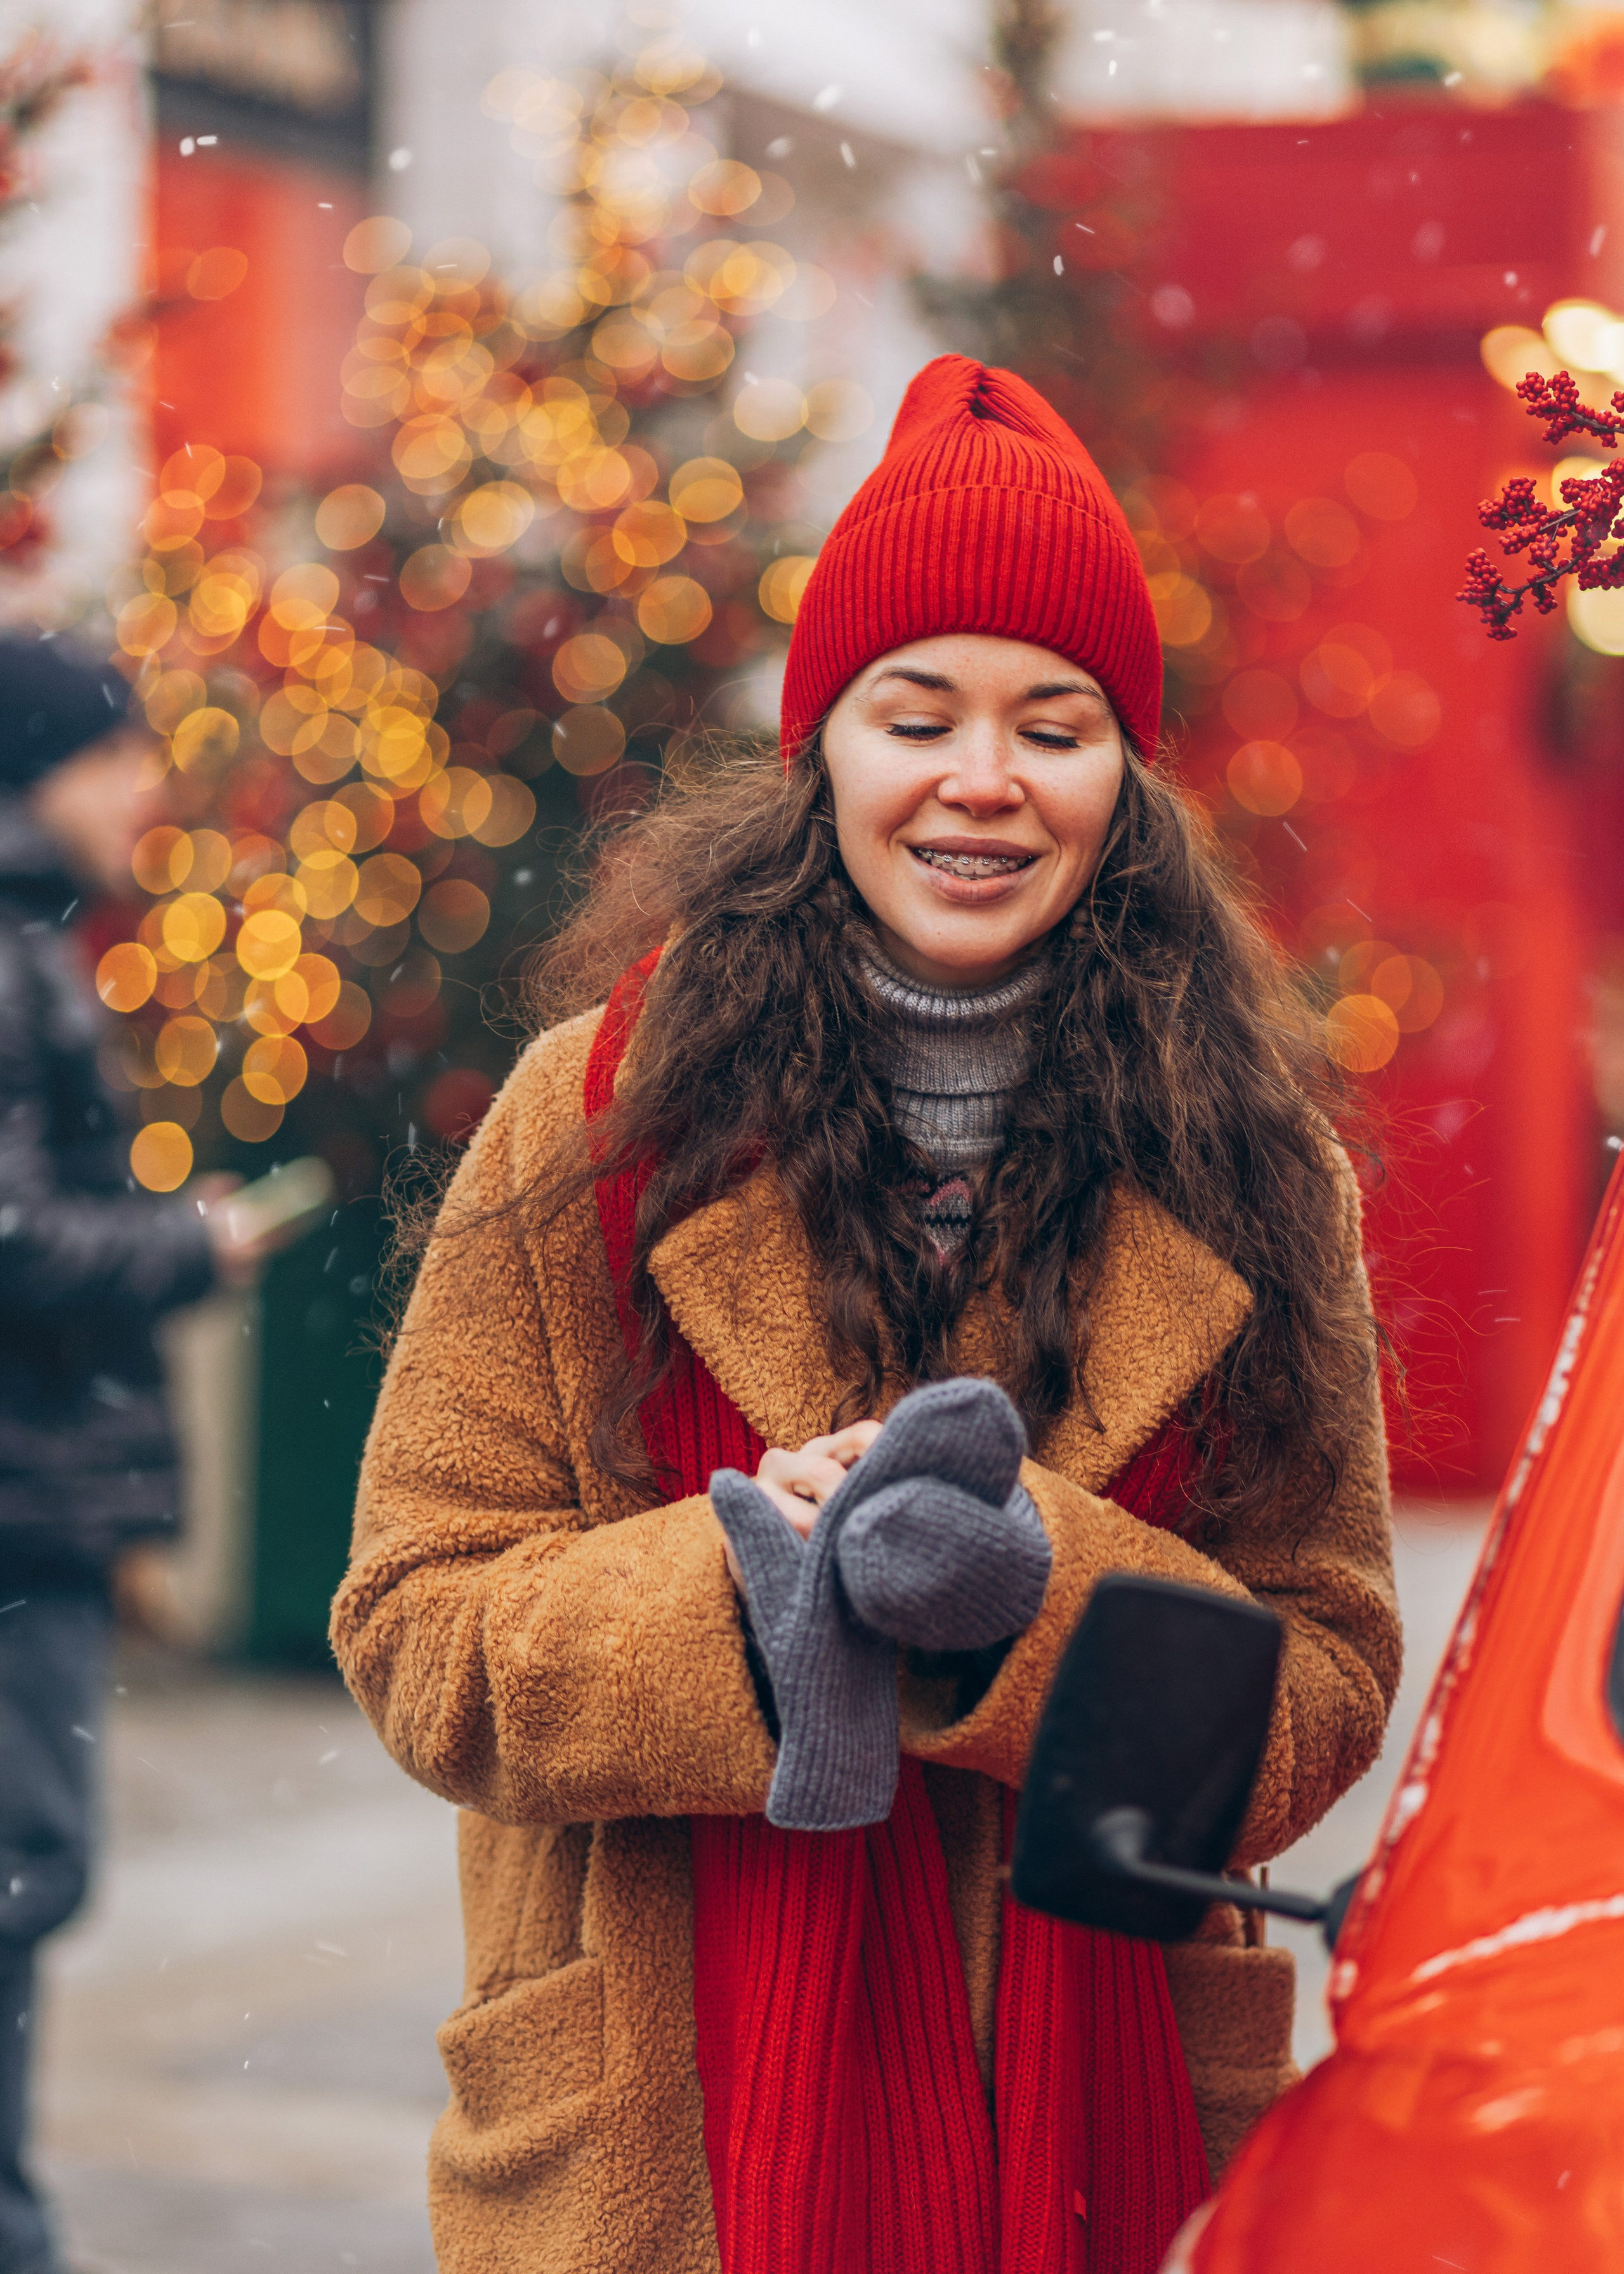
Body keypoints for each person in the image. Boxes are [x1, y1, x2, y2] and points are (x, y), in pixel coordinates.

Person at [332, 357, 1400, 2274]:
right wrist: (737, 1607)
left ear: (1125, 779)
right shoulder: (592, 1120)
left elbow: (1323, 1688)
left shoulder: (1261, 1177)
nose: (983, 783)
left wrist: (1037, 1598)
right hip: (677, 2136)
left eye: (1054, 726)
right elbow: (417, 1628)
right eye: (920, 715)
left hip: (1109, 2137)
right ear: (823, 746)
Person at [0, 635, 265, 2274]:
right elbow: (13, 1236)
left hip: (29, 1499)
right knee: (21, 1872)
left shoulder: (39, 939)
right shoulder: (12, 949)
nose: (144, 788)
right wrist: (186, 1249)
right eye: (113, 755)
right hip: (17, 1506)